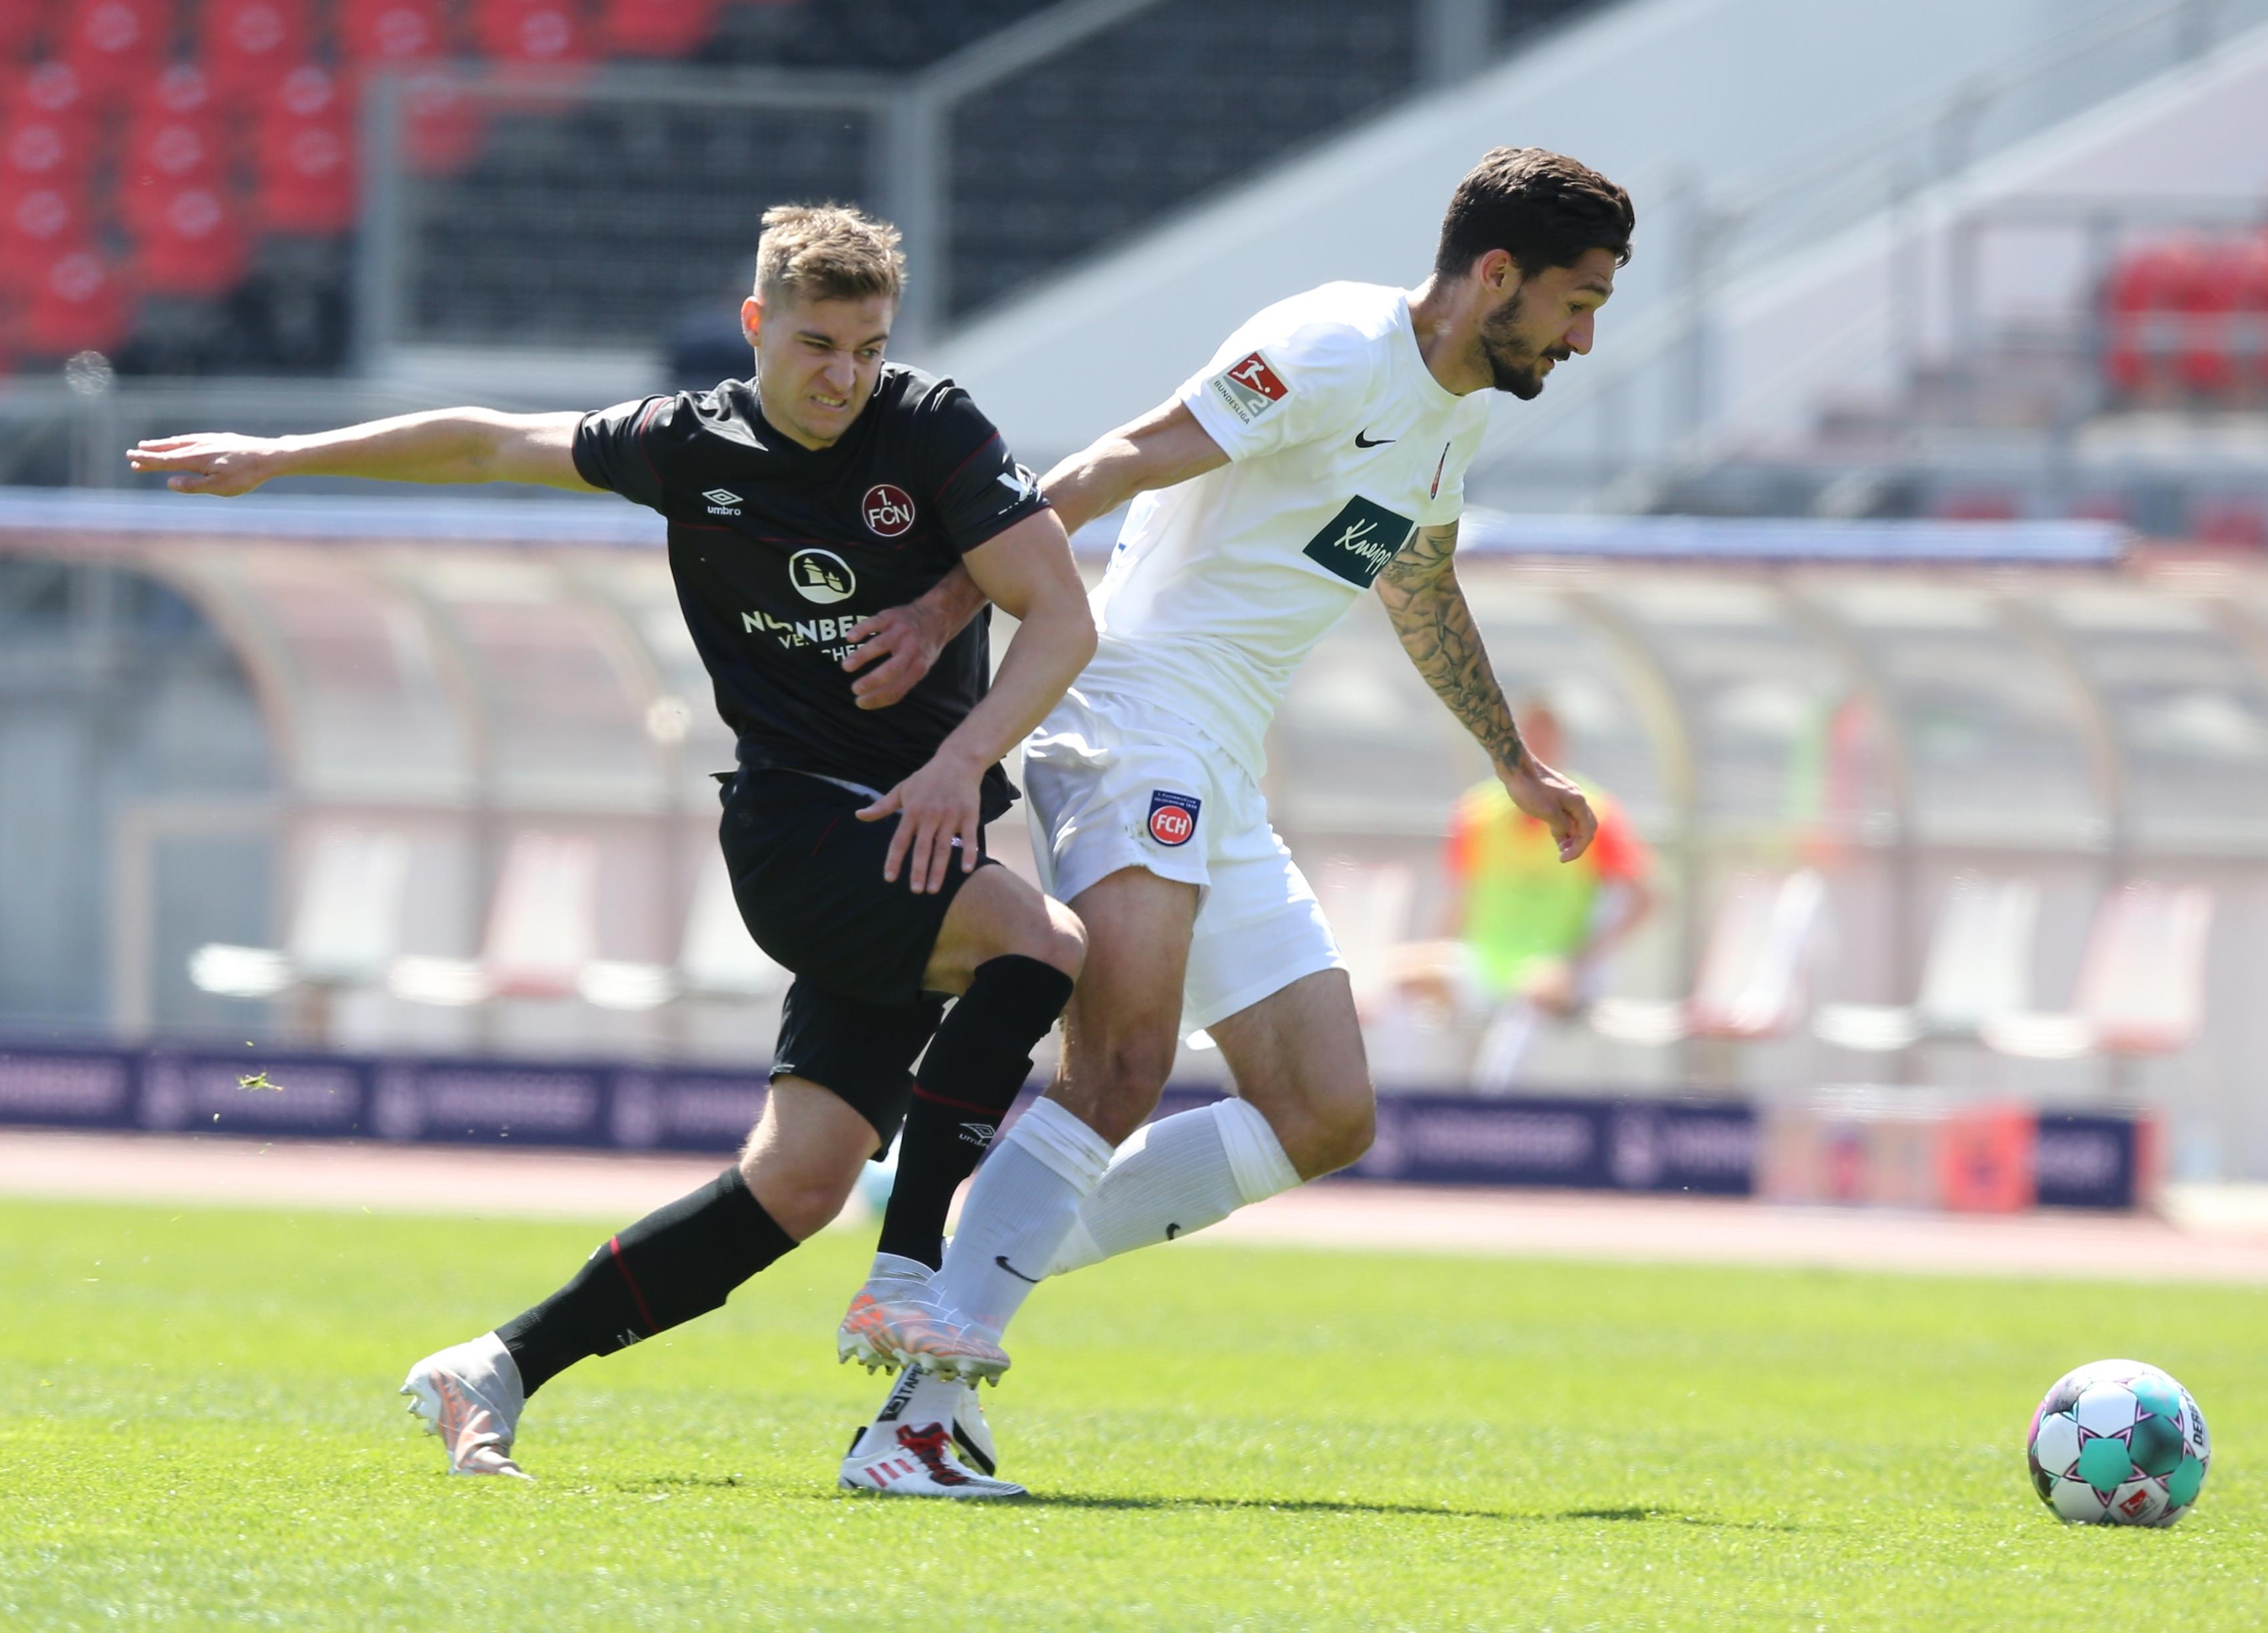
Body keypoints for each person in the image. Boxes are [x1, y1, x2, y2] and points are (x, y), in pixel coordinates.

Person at [127, 203, 1096, 1499]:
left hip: (913, 829)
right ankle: (908, 1272)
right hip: (805, 827)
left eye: (868, 348)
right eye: (816, 345)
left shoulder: (928, 428)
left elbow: (1063, 615)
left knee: (796, 1181)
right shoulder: (687, 443)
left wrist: (961, 759)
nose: (844, 376)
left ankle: (494, 1366)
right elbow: (487, 442)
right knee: (1041, 943)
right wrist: (286, 455)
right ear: (756, 326)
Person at [841, 148, 1636, 1473]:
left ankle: (969, 1251)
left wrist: (1509, 758)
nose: (1586, 337)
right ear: (1497, 274)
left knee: (1324, 1110)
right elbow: (1118, 460)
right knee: (1121, 1061)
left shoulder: (1454, 415)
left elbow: (1418, 583)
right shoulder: (1329, 347)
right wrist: (945, 603)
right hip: (1134, 719)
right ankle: (921, 1406)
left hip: (1219, 761)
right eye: (1578, 301)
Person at [1440, 697, 1657, 1090]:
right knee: (1398, 979)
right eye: (1525, 740)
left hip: (1556, 967)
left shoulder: (1593, 810)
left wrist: (1581, 962)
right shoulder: (1476, 813)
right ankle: (1391, 1110)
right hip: (1488, 963)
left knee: (1530, 996)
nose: (1535, 753)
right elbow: (1460, 900)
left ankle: (1490, 1110)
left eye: (1545, 739)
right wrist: (1443, 946)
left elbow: (1643, 898)